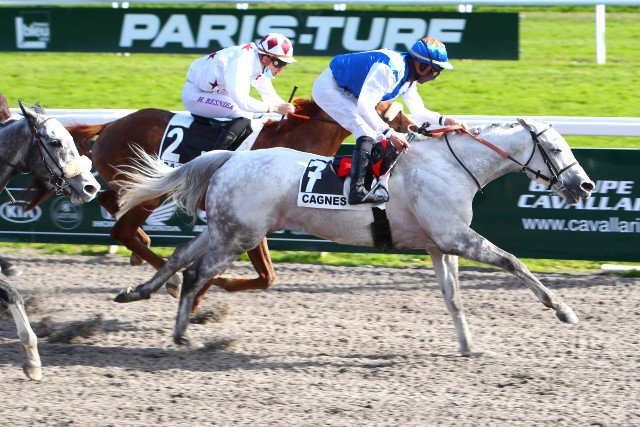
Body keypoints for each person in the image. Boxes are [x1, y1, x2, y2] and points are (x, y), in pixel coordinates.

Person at [312, 37, 468, 204]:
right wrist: (390, 132)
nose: (435, 77)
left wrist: (445, 120)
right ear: (422, 65)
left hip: (350, 92)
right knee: (365, 131)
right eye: (435, 71)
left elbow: (418, 111)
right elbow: (365, 106)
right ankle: (357, 191)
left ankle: (370, 184)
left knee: (378, 136)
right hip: (330, 87)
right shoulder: (389, 70)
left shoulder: (409, 78)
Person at [181, 33, 297, 149]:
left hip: (214, 93)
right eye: (279, 63)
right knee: (244, 114)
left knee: (257, 112)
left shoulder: (257, 59)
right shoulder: (242, 62)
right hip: (195, 95)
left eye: (285, 64)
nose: (282, 69)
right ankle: (216, 154)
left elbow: (268, 94)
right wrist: (276, 108)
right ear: (266, 58)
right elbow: (243, 102)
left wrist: (292, 111)